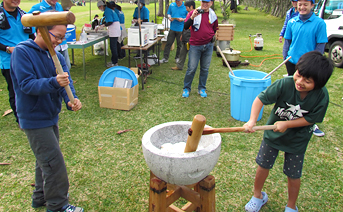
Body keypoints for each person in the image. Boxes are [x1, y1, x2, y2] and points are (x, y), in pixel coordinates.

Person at [243, 51, 333, 212]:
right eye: (298, 75)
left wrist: (288, 124)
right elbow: (260, 99)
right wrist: (252, 120)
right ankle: (258, 196)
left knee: (293, 174)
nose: (299, 81)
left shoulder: (321, 95)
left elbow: (312, 119)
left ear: (319, 84)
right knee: (263, 165)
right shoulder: (284, 83)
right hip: (273, 136)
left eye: (307, 81)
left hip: (297, 140)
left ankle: (291, 206)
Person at [10, 24, 83, 212]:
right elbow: (26, 85)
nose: (59, 41)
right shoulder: (22, 52)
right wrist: (54, 81)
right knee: (53, 164)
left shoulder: (57, 56)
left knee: (44, 160)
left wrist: (71, 99)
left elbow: (66, 81)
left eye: (62, 38)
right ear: (41, 31)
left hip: (50, 115)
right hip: (34, 118)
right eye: (56, 37)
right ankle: (57, 206)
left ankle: (40, 197)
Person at [283, 0, 328, 137]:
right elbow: (287, 42)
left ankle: (310, 122)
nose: (302, 7)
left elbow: (320, 46)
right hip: (292, 63)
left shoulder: (319, 23)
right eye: (300, 4)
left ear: (312, 6)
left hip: (309, 66)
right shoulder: (292, 22)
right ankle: (289, 117)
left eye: (306, 4)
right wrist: (286, 57)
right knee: (293, 90)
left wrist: (314, 65)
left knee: (309, 93)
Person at [0, 0, 35, 126]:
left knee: (31, 87)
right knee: (15, 91)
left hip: (28, 59)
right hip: (9, 61)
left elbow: (32, 36)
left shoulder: (24, 15)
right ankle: (21, 119)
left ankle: (32, 114)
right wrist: (7, 48)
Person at [182, 0, 218, 98]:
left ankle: (201, 88)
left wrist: (211, 37)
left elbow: (214, 29)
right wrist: (192, 17)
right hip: (195, 46)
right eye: (203, 2)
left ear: (211, 3)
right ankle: (186, 88)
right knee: (192, 68)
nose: (205, 4)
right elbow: (185, 26)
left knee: (205, 69)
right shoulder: (193, 12)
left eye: (207, 2)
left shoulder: (213, 15)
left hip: (208, 46)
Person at [28, 0, 72, 71]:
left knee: (66, 66)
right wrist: (37, 34)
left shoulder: (58, 6)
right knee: (53, 68)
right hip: (50, 42)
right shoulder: (38, 7)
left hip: (61, 43)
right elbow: (27, 21)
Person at [171, 0, 195, 70]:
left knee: (192, 52)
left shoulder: (195, 14)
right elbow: (185, 25)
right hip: (185, 34)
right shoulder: (188, 14)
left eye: (187, 7)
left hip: (191, 35)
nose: (186, 9)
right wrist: (182, 34)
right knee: (183, 51)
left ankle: (191, 67)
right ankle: (179, 66)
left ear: (191, 6)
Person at [96, 0, 121, 67]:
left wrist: (102, 26)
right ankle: (114, 61)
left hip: (114, 29)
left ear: (101, 6)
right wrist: (103, 24)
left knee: (113, 47)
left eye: (99, 7)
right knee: (114, 45)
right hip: (115, 28)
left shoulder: (107, 11)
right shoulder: (109, 10)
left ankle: (114, 62)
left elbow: (110, 21)